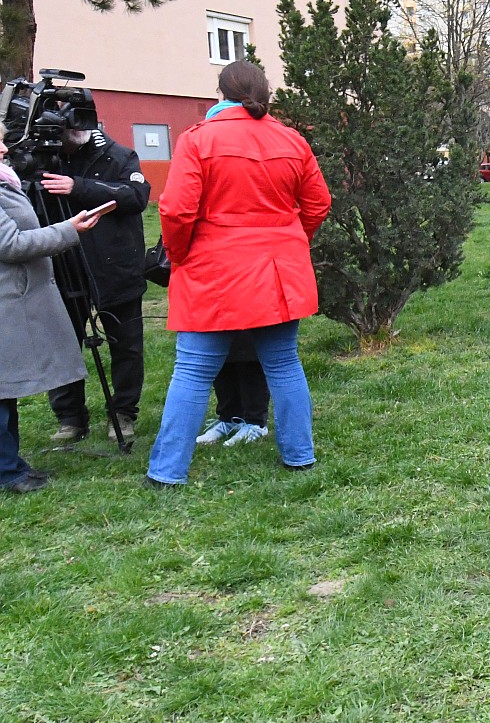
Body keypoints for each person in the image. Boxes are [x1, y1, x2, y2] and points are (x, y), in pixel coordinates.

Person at [145, 61, 331, 487]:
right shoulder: (291, 139)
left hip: (212, 272)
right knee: (283, 364)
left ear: (220, 93)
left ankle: (167, 471)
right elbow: (319, 203)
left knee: (192, 371)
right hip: (277, 274)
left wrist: (179, 254)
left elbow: (175, 209)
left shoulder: (198, 139)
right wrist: (288, 240)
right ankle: (299, 456)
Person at [1, 133, 110, 492]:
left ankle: (11, 464)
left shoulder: (6, 181)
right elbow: (10, 244)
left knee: (6, 389)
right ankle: (6, 473)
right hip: (7, 299)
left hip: (13, 298)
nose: (4, 149)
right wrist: (67, 230)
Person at [37, 124, 150, 445]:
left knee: (126, 345)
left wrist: (79, 187)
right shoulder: (44, 159)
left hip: (116, 268)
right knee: (62, 345)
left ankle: (123, 412)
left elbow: (137, 195)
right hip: (63, 267)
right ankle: (70, 418)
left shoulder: (118, 155)